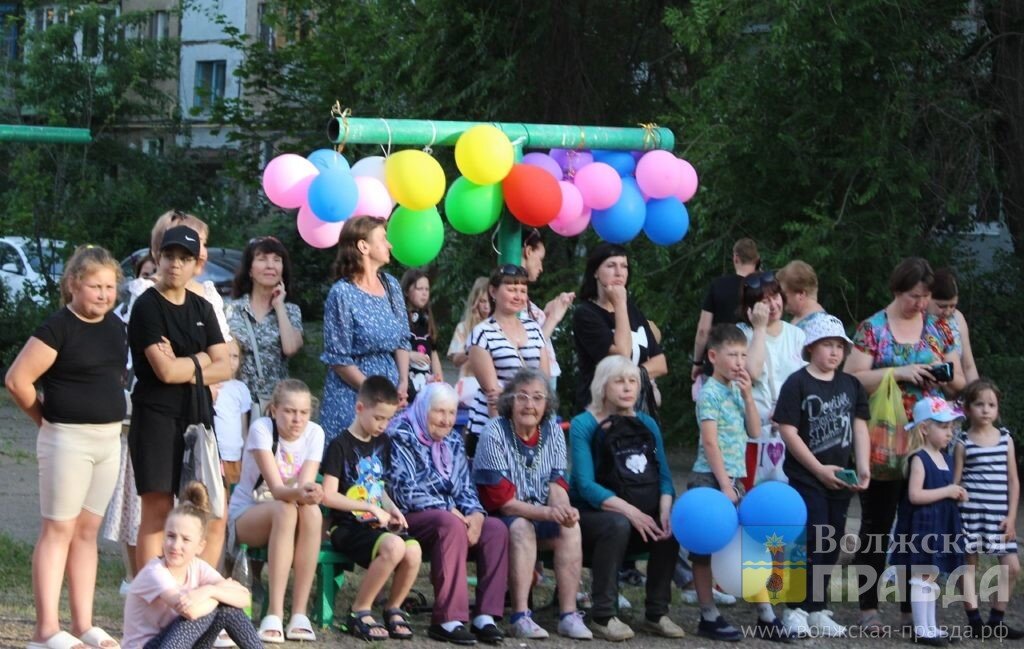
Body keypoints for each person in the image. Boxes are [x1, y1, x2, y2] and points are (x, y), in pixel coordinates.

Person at [6, 245, 127, 649]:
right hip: (66, 441)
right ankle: (45, 631)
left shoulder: (115, 327)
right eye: (95, 286)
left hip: (109, 441)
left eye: (110, 286)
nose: (104, 294)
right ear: (74, 285)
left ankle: (83, 623)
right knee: (58, 530)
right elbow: (17, 381)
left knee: (87, 532)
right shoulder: (57, 327)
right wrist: (45, 421)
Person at [107, 210, 232, 584]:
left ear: (197, 264)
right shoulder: (146, 305)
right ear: (157, 257)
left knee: (208, 508)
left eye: (184, 258)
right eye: (169, 256)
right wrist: (202, 359)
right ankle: (151, 596)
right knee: (158, 508)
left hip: (197, 416)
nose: (175, 264)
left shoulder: (203, 306)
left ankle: (198, 595)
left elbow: (226, 366)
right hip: (156, 416)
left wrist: (185, 362)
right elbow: (163, 372)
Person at [843, 257, 964, 628]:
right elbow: (851, 379)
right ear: (897, 290)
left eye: (926, 296)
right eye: (915, 296)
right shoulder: (873, 329)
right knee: (877, 525)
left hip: (927, 443)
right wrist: (898, 372)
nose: (921, 303)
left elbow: (958, 381)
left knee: (919, 527)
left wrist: (941, 377)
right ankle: (868, 608)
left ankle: (914, 611)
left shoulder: (940, 329)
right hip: (884, 439)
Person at [569, 356, 682, 642]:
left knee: (671, 526)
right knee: (617, 523)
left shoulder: (647, 423)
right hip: (591, 520)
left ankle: (657, 614)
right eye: (619, 381)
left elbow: (665, 477)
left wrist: (666, 510)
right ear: (602, 386)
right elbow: (584, 485)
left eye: (632, 381)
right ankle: (603, 615)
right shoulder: (584, 424)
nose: (627, 388)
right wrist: (631, 512)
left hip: (639, 515)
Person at [473, 369, 592, 641]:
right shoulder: (494, 431)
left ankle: (568, 615)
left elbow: (557, 482)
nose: (529, 404)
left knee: (570, 528)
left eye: (538, 398)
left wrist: (562, 509)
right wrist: (549, 512)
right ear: (510, 402)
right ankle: (520, 616)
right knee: (521, 527)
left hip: (539, 510)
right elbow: (503, 503)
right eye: (522, 397)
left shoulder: (553, 430)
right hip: (498, 517)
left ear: (547, 404)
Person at [389, 383, 509, 645]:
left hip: (450, 518)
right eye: (439, 412)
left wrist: (476, 514)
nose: (446, 420)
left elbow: (465, 487)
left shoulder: (453, 440)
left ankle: (484, 616)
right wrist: (447, 508)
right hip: (409, 517)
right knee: (450, 523)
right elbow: (403, 491)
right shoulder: (400, 434)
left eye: (452, 413)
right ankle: (448, 619)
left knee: (495, 529)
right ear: (423, 409)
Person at [774, 315, 871, 636]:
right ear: (811, 347)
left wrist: (864, 465)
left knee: (831, 541)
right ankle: (795, 609)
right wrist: (817, 469)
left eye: (839, 346)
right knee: (809, 540)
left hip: (841, 477)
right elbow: (787, 430)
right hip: (807, 477)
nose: (834, 352)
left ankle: (816, 608)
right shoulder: (797, 382)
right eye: (827, 345)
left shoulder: (851, 384)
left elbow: (859, 426)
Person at [690, 324, 788, 642]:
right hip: (711, 478)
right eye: (732, 355)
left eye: (744, 355)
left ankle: (766, 615)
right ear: (713, 356)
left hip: (734, 478)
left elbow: (755, 431)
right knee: (704, 547)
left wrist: (748, 395)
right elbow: (710, 443)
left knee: (750, 543)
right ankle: (708, 615)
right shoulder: (709, 393)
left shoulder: (735, 389)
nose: (739, 361)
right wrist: (723, 485)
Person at [322, 377, 422, 641]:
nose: (383, 425)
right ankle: (359, 611)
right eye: (378, 418)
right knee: (395, 547)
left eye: (388, 419)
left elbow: (378, 489)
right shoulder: (339, 446)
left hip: (374, 526)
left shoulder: (382, 443)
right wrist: (368, 506)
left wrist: (392, 508)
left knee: (413, 550)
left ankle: (393, 608)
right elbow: (328, 496)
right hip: (345, 527)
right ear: (359, 408)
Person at [227, 379, 324, 643]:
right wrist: (306, 491)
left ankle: (300, 613)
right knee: (286, 510)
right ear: (274, 410)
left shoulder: (315, 433)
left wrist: (314, 493)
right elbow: (279, 490)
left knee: (313, 512)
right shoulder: (262, 429)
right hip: (248, 513)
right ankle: (274, 613)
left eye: (303, 413)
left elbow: (304, 486)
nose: (297, 419)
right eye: (290, 411)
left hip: (288, 511)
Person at [122, 482, 260, 649]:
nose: (175, 545)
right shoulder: (156, 572)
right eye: (171, 536)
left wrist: (210, 590)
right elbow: (191, 612)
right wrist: (219, 596)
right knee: (212, 608)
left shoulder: (197, 567)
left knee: (227, 608)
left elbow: (244, 598)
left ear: (200, 546)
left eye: (185, 539)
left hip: (179, 642)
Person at [321, 215, 410, 447]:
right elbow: (338, 358)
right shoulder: (342, 294)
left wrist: (402, 382)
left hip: (389, 397)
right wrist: (373, 393)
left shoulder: (391, 285)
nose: (390, 244)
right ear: (363, 246)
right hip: (354, 396)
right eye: (383, 238)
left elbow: (402, 339)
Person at [891, 397, 968, 646]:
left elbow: (943, 490)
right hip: (922, 528)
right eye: (944, 427)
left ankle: (931, 628)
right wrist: (947, 491)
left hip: (939, 526)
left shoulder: (944, 458)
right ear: (925, 428)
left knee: (931, 579)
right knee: (921, 578)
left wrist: (956, 493)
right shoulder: (919, 458)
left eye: (951, 428)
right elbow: (915, 495)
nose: (950, 433)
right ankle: (921, 629)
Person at [953, 379, 1022, 639]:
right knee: (968, 567)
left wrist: (1012, 516)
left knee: (1012, 567)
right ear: (967, 409)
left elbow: (1014, 481)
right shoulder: (962, 442)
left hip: (999, 517)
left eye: (991, 405)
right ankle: (974, 620)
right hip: (969, 515)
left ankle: (996, 619)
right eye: (979, 404)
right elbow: (955, 483)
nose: (985, 409)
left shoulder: (1005, 439)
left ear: (997, 409)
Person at [572, 243, 666, 415]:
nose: (619, 272)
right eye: (611, 265)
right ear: (595, 272)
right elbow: (621, 354)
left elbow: (661, 363)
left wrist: (631, 377)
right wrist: (620, 304)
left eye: (624, 266)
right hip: (601, 412)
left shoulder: (634, 311)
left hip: (639, 410)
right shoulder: (585, 314)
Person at [466, 265, 549, 453]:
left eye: (522, 290)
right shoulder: (481, 333)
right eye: (511, 290)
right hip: (491, 425)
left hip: (531, 423)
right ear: (493, 292)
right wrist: (504, 438)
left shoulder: (534, 328)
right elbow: (494, 395)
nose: (518, 296)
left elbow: (544, 381)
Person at [737, 270, 806, 489]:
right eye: (764, 302)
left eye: (775, 297)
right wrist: (759, 328)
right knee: (754, 495)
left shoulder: (797, 335)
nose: (773, 305)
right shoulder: (742, 335)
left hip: (791, 430)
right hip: (755, 431)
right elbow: (753, 372)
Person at [226, 235, 304, 415]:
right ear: (250, 270)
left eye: (277, 260)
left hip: (276, 406)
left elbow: (290, 348)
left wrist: (279, 307)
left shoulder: (291, 311)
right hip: (237, 404)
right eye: (262, 259)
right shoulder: (230, 310)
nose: (270, 266)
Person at [690, 237, 760, 382]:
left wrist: (697, 362)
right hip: (752, 362)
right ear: (756, 259)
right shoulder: (763, 288)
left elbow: (703, 330)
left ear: (735, 258)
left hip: (720, 363)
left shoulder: (718, 285)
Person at [521, 227, 575, 388]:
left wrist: (544, 313)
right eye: (541, 259)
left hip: (541, 377)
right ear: (529, 251)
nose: (541, 268)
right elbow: (528, 346)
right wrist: (553, 318)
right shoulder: (514, 297)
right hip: (534, 380)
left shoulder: (520, 297)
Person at [212, 339, 252, 488]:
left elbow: (243, 428)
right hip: (213, 454)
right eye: (226, 355)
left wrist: (246, 457)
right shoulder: (209, 385)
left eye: (235, 356)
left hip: (234, 455)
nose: (231, 361)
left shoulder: (241, 389)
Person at [929, 268, 979, 385]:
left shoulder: (957, 318)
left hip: (958, 387)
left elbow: (968, 365)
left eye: (952, 306)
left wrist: (977, 395)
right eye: (942, 306)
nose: (947, 312)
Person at [400, 268, 443, 403]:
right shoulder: (400, 318)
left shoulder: (427, 319)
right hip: (407, 385)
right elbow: (393, 349)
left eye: (427, 289)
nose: (424, 293)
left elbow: (433, 352)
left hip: (426, 384)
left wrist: (439, 380)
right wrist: (410, 355)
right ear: (407, 291)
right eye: (419, 289)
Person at [447, 277, 490, 407]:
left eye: (490, 301)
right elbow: (455, 359)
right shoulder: (464, 327)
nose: (487, 306)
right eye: (482, 301)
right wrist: (473, 348)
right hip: (469, 386)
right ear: (475, 302)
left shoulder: (499, 326)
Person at [776, 260, 829, 331]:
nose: (781, 299)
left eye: (783, 294)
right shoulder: (801, 320)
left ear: (800, 294)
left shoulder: (821, 327)